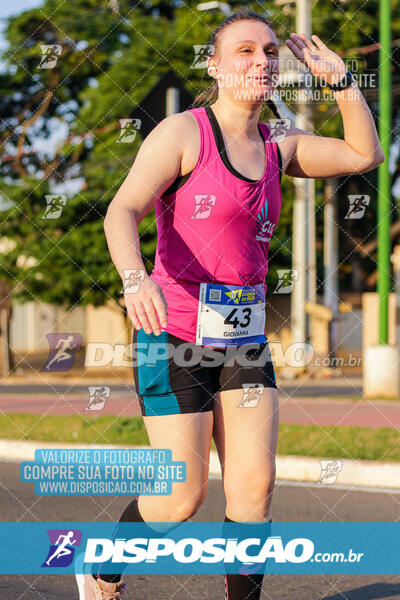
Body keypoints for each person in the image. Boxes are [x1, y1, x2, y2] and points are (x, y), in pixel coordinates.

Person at [77, 8, 384, 600]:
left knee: (254, 487)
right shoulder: (184, 133)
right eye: (244, 50)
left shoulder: (279, 144)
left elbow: (360, 155)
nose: (260, 61)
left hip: (243, 338)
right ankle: (101, 567)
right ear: (214, 65)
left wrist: (342, 82)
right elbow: (122, 210)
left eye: (270, 52)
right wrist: (134, 278)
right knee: (179, 497)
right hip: (175, 336)